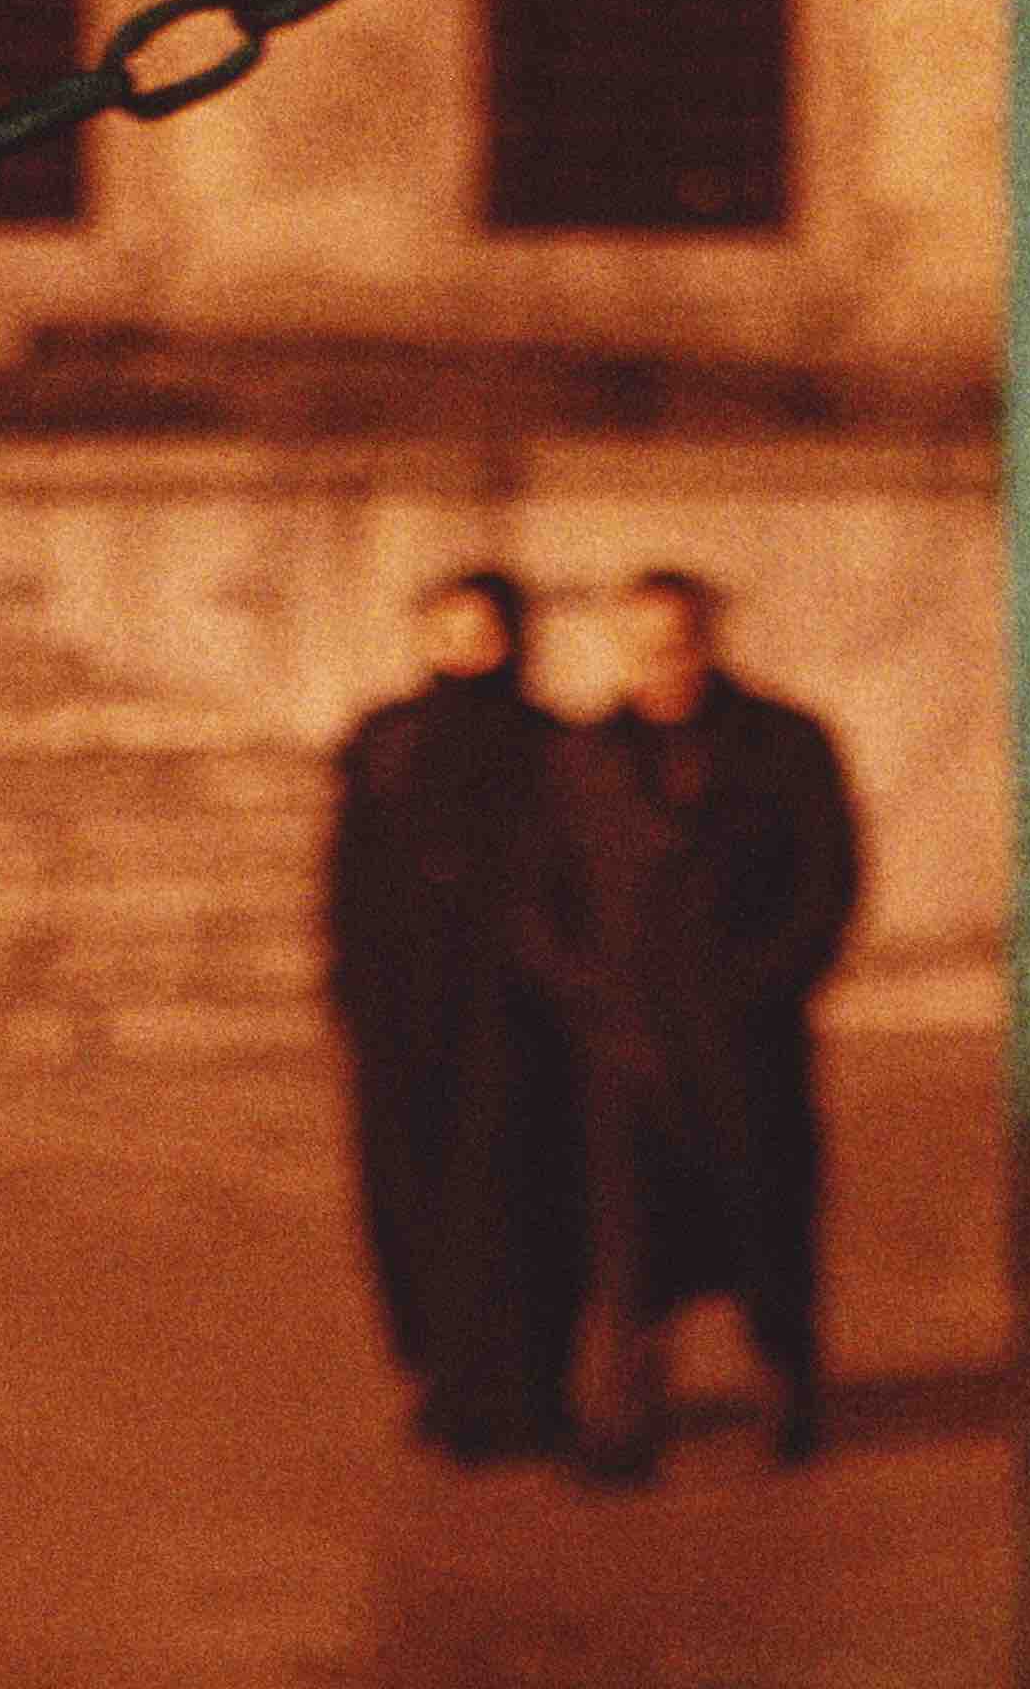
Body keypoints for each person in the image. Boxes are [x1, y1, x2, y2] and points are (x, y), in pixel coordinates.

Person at [539, 569, 865, 1478]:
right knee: (629, 1230)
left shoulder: (787, 743)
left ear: (709, 638)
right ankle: (631, 1399)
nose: (664, 660)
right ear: (620, 646)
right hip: (628, 1039)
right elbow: (539, 899)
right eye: (643, 642)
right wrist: (589, 993)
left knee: (768, 1213)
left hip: (747, 1030)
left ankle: (787, 1381)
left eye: (679, 639)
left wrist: (772, 981)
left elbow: (828, 879)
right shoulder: (581, 759)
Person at [317, 572, 585, 1463]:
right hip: (405, 1008)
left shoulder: (552, 746)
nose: (463, 647)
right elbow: (349, 873)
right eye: (445, 629)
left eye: (481, 629)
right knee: (413, 1190)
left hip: (514, 1012)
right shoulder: (385, 740)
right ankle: (445, 1378)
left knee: (517, 1195)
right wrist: (351, 986)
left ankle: (527, 1389)